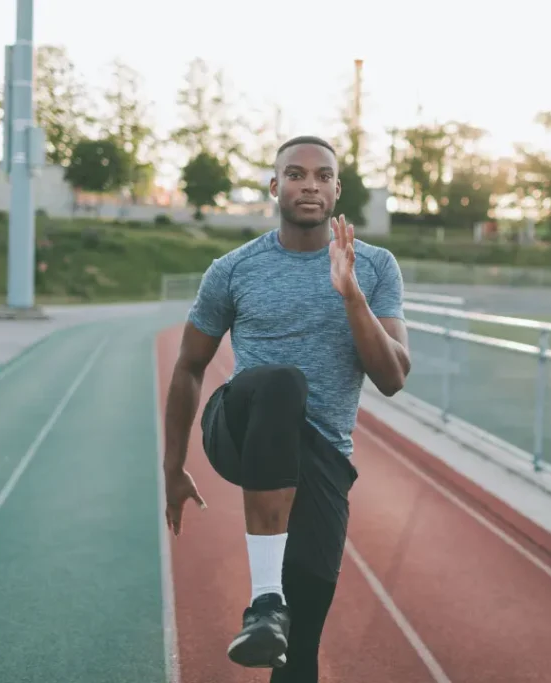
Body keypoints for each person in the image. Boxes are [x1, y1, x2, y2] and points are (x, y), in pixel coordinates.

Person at [161, 135, 411, 681]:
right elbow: (188, 367)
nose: (309, 185)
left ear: (337, 190)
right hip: (239, 426)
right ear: (275, 187)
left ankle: (275, 620)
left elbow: (392, 377)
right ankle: (264, 599)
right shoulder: (232, 270)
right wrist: (172, 468)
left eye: (322, 176)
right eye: (296, 175)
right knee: (280, 384)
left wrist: (351, 296)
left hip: (321, 458)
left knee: (298, 653)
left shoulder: (373, 267)